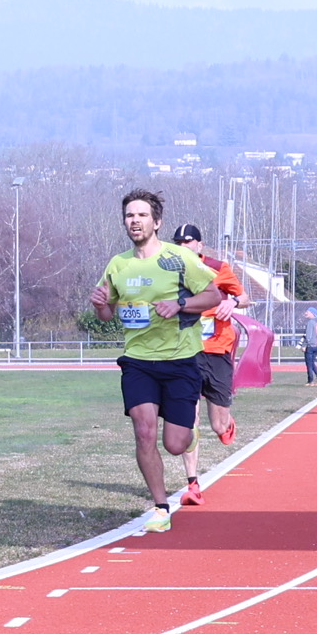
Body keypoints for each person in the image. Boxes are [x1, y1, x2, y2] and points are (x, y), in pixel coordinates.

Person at [88, 190, 224, 535]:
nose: (135, 221)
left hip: (180, 360)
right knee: (144, 431)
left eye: (142, 215)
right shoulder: (118, 265)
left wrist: (180, 305)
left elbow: (214, 295)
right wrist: (100, 304)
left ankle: (187, 433)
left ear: (157, 222)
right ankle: (161, 507)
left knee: (174, 444)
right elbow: (106, 315)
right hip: (138, 361)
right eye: (129, 215)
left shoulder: (178, 258)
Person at [172, 224, 243, 508]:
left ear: (200, 245)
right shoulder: (168, 271)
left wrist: (233, 302)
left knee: (217, 425)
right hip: (185, 352)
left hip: (217, 350)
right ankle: (193, 484)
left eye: (188, 242)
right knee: (189, 419)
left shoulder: (218, 268)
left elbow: (244, 297)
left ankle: (227, 422)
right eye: (178, 243)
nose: (183, 246)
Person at [301, 303, 317, 385]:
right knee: (312, 363)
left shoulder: (310, 322)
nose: (306, 313)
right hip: (316, 346)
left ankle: (311, 381)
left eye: (308, 312)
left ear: (312, 313)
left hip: (310, 346)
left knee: (309, 364)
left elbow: (308, 335)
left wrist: (304, 345)